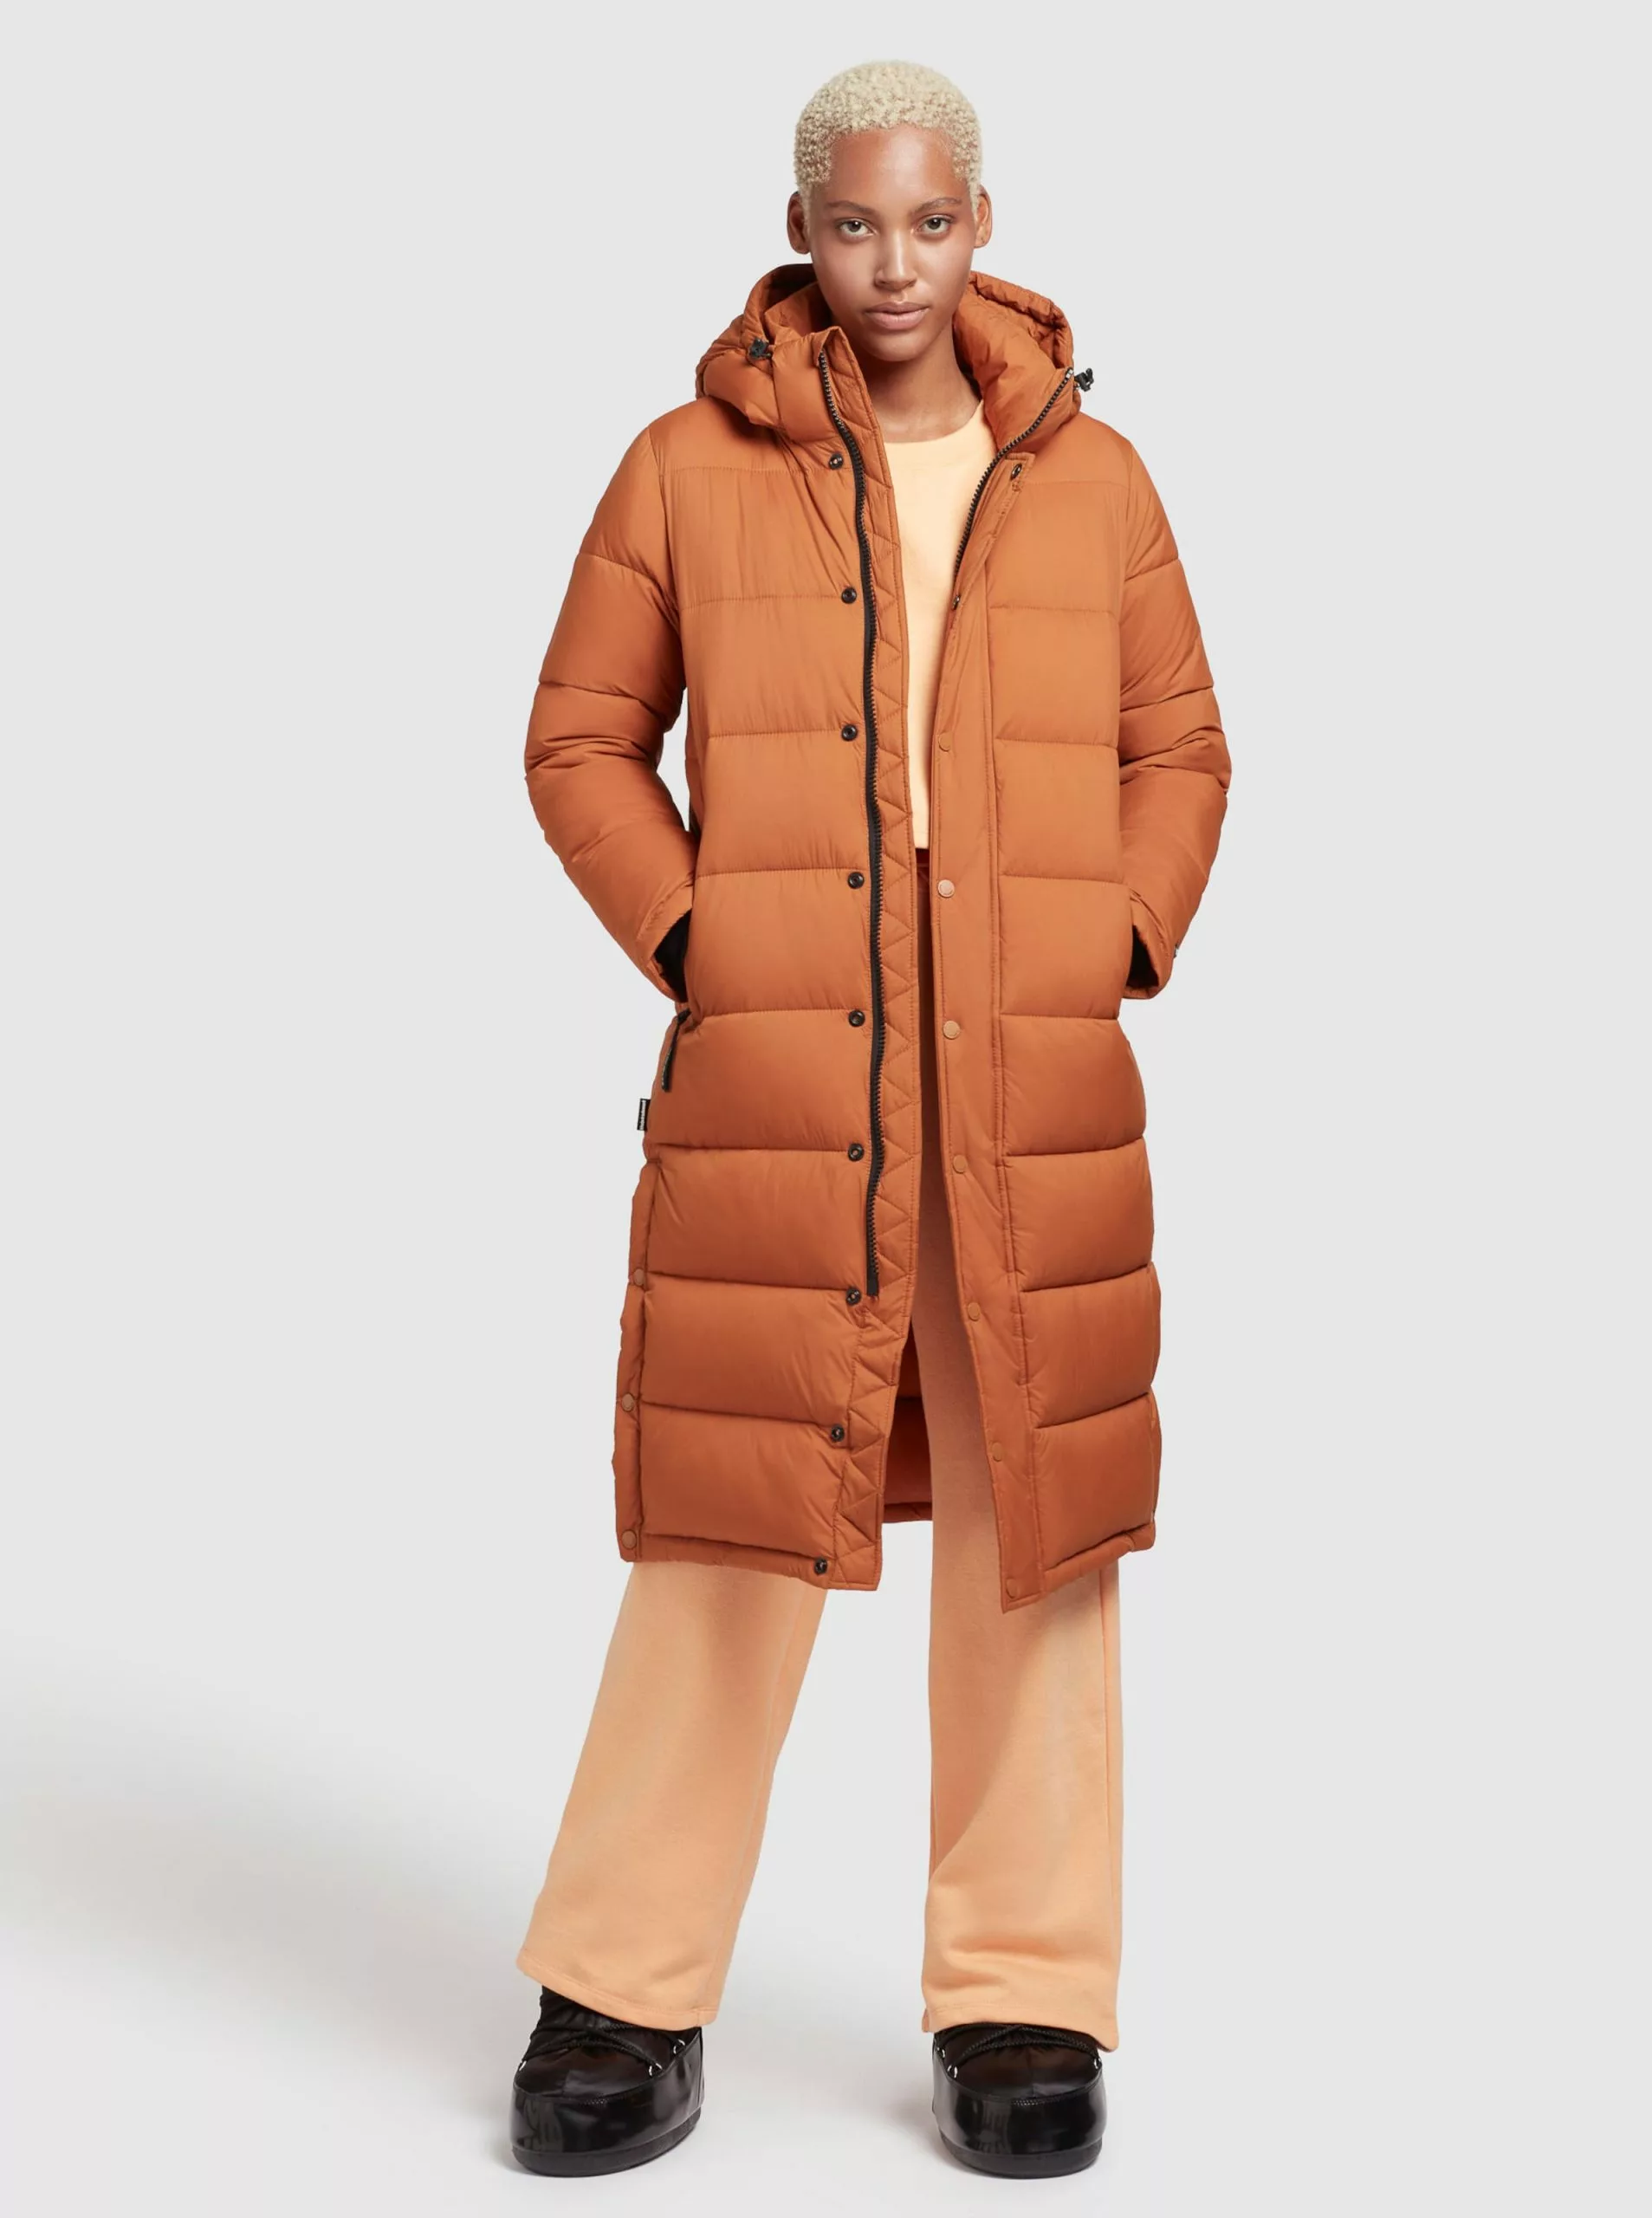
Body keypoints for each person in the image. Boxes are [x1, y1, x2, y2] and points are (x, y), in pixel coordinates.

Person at [510, 58, 1229, 2179]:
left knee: (1036, 1528)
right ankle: (620, 1989)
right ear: (801, 231)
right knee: (731, 1522)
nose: (894, 264)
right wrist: (700, 934)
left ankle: (1025, 1992)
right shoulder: (684, 466)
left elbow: (1183, 747)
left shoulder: (1095, 480)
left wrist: (1113, 935)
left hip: (1027, 1083)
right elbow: (577, 739)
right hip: (786, 1079)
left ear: (980, 220)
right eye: (854, 224)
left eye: (929, 221)